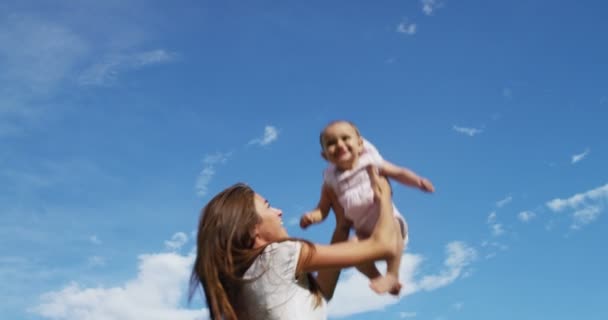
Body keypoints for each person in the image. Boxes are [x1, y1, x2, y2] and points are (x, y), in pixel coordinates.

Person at [190, 167, 399, 320]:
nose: (279, 211)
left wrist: (342, 227)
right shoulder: (279, 255)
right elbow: (383, 245)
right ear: (251, 227)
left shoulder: (243, 282)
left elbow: (320, 292)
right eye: (267, 206)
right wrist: (384, 196)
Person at [300, 120, 435, 295]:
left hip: (388, 220)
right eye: (331, 143)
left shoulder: (371, 162)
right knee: (352, 250)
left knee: (394, 230)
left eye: (345, 138)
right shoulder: (330, 181)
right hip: (363, 231)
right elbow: (322, 209)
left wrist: (417, 181)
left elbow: (399, 173)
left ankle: (392, 274)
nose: (339, 144)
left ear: (360, 143)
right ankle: (376, 277)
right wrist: (312, 217)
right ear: (325, 156)